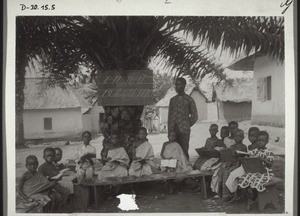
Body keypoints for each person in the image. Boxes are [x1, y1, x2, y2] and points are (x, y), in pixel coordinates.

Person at [238, 131, 274, 210]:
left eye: (262, 141)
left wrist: (263, 160)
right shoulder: (253, 151)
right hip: (253, 171)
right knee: (242, 180)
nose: (260, 142)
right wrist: (247, 159)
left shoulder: (269, 152)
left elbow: (270, 164)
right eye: (258, 140)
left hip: (265, 172)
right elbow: (250, 161)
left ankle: (255, 197)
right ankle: (251, 197)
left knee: (256, 181)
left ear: (266, 141)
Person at [168, 77, 198, 160]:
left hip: (184, 131)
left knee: (184, 151)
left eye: (179, 85)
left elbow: (195, 116)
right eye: (176, 85)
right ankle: (175, 170)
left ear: (184, 85)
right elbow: (169, 117)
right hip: (173, 130)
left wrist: (187, 125)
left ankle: (185, 170)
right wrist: (170, 130)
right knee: (173, 151)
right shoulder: (172, 100)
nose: (177, 87)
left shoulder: (189, 99)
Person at [38, 147, 71, 212]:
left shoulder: (53, 166)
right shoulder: (42, 168)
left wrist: (59, 175)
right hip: (46, 187)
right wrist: (49, 177)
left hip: (54, 184)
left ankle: (60, 206)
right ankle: (53, 210)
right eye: (48, 156)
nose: (50, 158)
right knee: (56, 196)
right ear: (44, 157)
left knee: (67, 191)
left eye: (52, 156)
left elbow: (57, 175)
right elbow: (40, 181)